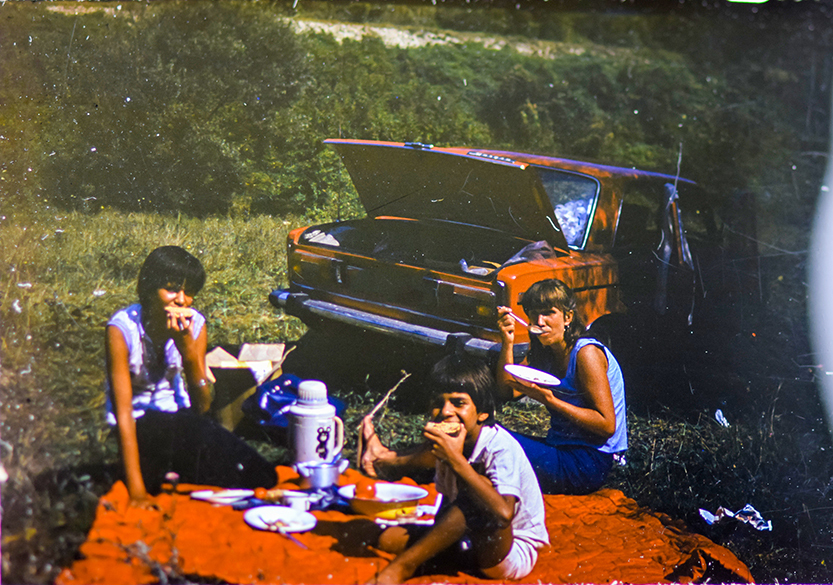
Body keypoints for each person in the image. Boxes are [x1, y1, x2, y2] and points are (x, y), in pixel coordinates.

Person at [105, 245, 277, 506]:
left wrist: (188, 354)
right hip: (138, 422)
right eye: (172, 288)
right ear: (149, 288)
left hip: (179, 417)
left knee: (261, 474)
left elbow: (203, 406)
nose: (181, 300)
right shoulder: (122, 330)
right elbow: (123, 411)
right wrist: (136, 491)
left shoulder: (195, 324)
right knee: (223, 465)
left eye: (189, 292)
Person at [360, 354, 549, 584]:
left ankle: (401, 568)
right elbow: (448, 502)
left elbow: (503, 514)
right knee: (387, 539)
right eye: (438, 403)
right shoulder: (449, 441)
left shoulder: (499, 446)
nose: (446, 411)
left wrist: (455, 459)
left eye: (458, 403)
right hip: (470, 538)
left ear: (482, 413)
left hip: (509, 551)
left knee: (479, 489)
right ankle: (447, 555)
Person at [496, 278, 627, 495]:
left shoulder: (586, 354)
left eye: (549, 312)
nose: (540, 321)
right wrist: (507, 342)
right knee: (489, 435)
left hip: (588, 462)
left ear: (568, 317)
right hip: (559, 448)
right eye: (534, 313)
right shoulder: (546, 352)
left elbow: (606, 425)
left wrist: (551, 401)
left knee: (490, 441)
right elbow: (506, 390)